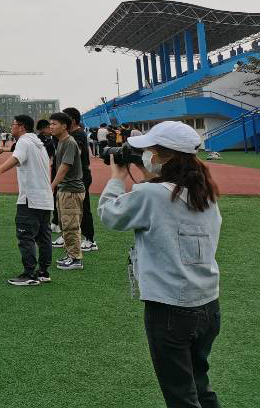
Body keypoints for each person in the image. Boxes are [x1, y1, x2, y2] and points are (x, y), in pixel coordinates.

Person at [98, 121, 221, 408]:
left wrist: (116, 177)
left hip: (169, 308)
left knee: (180, 396)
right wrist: (147, 175)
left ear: (163, 157)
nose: (145, 157)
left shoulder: (151, 195)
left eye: (149, 151)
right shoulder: (204, 191)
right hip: (208, 305)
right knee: (200, 384)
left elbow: (109, 214)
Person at [0, 116, 54, 286]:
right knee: (44, 237)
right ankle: (43, 272)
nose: (11, 127)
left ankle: (29, 274)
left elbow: (16, 158)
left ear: (21, 127)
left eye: (13, 125)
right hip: (45, 198)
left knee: (25, 236)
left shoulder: (24, 141)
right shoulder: (38, 143)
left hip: (30, 198)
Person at [49, 112, 85, 271]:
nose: (51, 127)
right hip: (65, 189)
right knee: (66, 224)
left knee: (71, 225)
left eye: (54, 124)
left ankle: (76, 259)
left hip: (71, 190)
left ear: (64, 126)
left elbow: (65, 167)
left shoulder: (69, 142)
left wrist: (52, 185)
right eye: (50, 124)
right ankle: (70, 254)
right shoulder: (61, 141)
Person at [64, 107, 98, 253]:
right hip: (75, 175)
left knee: (83, 207)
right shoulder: (72, 134)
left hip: (81, 175)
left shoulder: (78, 134)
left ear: (72, 120)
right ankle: (72, 236)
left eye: (64, 119)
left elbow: (75, 152)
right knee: (72, 206)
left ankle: (90, 239)